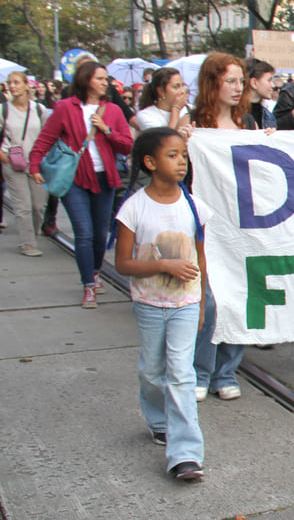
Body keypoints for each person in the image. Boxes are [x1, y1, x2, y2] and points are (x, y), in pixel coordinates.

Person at [112, 127, 208, 481]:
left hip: (185, 303)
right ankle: (158, 420)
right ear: (150, 162)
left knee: (181, 374)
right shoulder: (134, 207)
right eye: (172, 155)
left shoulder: (194, 205)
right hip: (149, 304)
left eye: (184, 154)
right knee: (152, 371)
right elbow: (123, 264)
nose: (181, 161)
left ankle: (185, 454)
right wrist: (163, 265)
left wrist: (201, 303)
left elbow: (200, 257)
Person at [181, 53, 261, 402]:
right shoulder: (192, 123)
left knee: (241, 299)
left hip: (242, 226)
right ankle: (201, 371)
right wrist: (180, 140)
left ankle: (226, 371)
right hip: (203, 226)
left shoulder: (250, 124)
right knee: (210, 302)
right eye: (230, 80)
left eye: (241, 81)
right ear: (212, 82)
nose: (237, 87)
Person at [29, 61, 134, 308]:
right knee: (84, 233)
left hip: (105, 178)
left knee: (100, 234)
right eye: (99, 78)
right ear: (86, 80)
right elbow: (45, 139)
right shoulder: (66, 108)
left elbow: (127, 145)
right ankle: (88, 285)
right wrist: (34, 165)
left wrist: (106, 130)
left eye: (106, 78)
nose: (104, 83)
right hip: (75, 179)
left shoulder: (114, 111)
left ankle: (95, 271)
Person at [1, 71, 49, 256]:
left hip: (36, 163)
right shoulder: (3, 110)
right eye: (9, 83)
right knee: (23, 206)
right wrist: (3, 156)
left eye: (16, 82)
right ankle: (27, 243)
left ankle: (32, 235)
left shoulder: (38, 109)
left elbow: (47, 134)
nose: (12, 86)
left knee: (38, 206)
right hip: (12, 163)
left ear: (26, 85)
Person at [244, 58, 278, 130]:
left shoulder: (268, 116)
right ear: (254, 83)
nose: (273, 85)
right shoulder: (233, 114)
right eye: (269, 80)